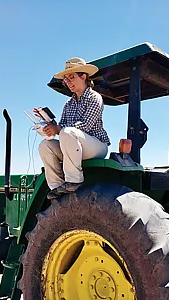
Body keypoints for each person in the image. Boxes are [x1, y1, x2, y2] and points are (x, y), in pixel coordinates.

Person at [38, 57, 110, 200]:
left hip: (96, 146)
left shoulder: (95, 97)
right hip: (74, 145)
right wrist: (49, 126)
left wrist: (58, 129)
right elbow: (62, 127)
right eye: (65, 79)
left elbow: (85, 126)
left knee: (67, 132)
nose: (68, 82)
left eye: (71, 77)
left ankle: (74, 180)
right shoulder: (68, 104)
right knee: (45, 145)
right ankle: (56, 186)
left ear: (83, 76)